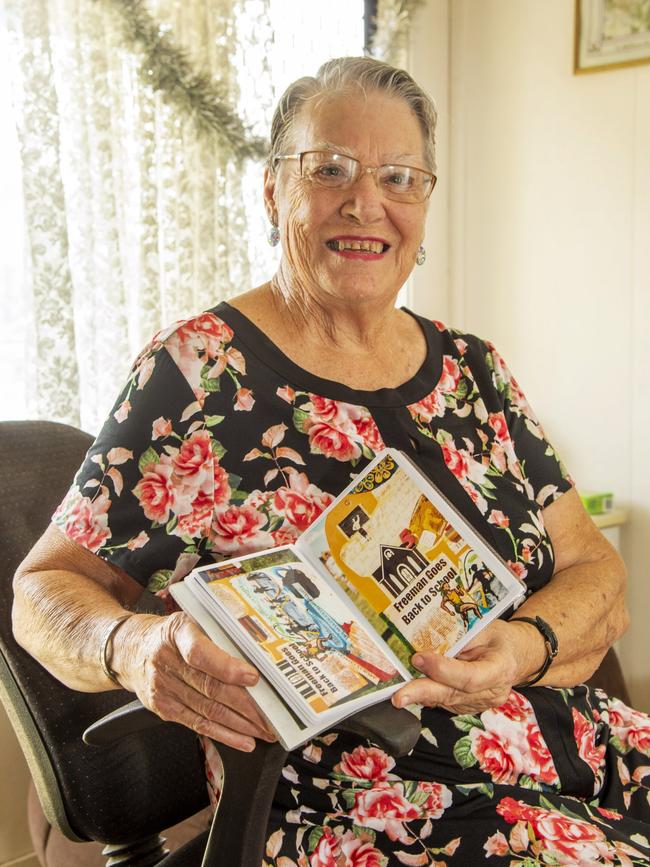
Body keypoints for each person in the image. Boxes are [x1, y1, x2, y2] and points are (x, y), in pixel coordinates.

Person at [13, 56, 650, 865]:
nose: (366, 202)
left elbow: (597, 573)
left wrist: (524, 648)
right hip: (368, 800)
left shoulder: (475, 372)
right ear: (274, 189)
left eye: (400, 177)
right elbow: (41, 592)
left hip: (569, 750)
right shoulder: (202, 374)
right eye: (331, 169)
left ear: (425, 203)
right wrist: (133, 647)